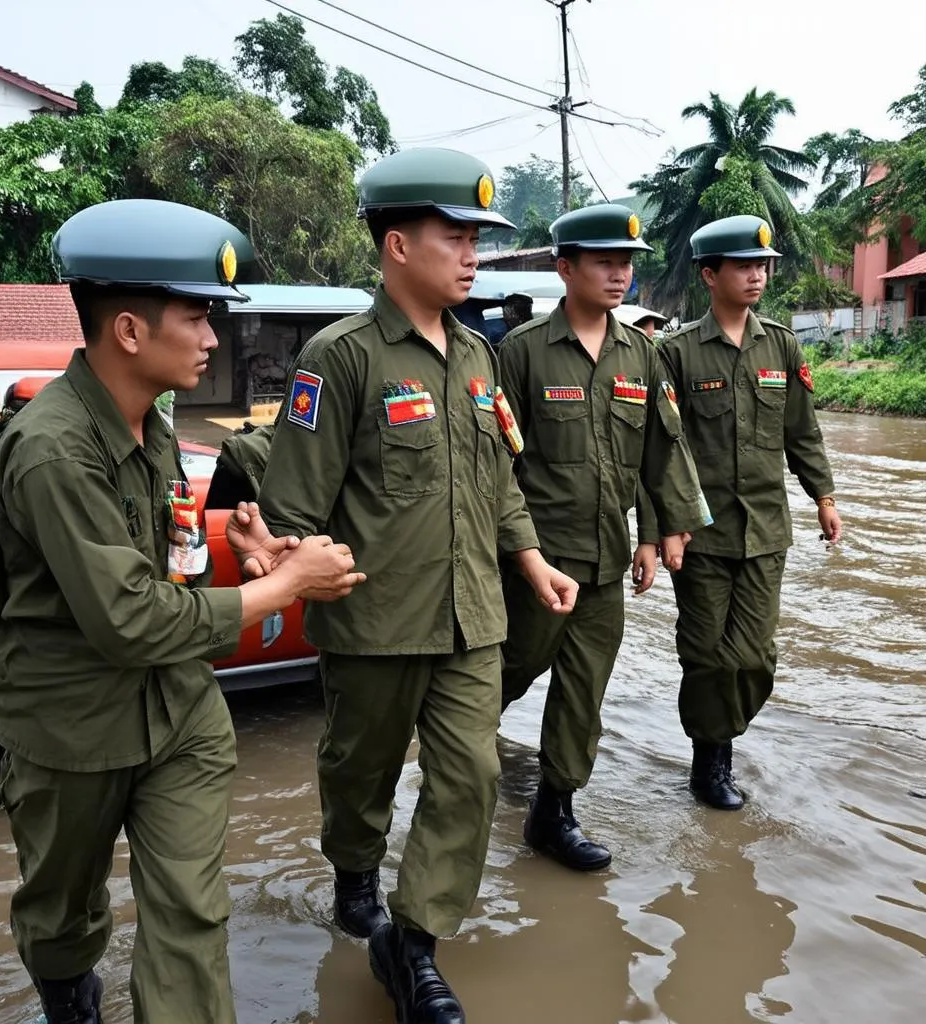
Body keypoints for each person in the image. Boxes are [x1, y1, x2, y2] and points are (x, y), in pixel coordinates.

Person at [0, 198, 364, 1024]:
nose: (213, 338)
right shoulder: (50, 451)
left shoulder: (159, 428)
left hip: (179, 715)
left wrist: (243, 551)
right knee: (61, 915)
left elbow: (162, 568)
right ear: (130, 331)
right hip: (70, 726)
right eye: (196, 316)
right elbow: (123, 618)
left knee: (188, 917)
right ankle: (71, 997)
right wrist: (283, 589)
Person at [245, 147, 578, 1024]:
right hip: (374, 623)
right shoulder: (340, 357)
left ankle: (414, 941)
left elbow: (499, 478)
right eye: (455, 235)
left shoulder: (477, 356)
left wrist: (532, 558)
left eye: (478, 237)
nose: (472, 253)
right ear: (397, 245)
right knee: (361, 772)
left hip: (472, 617)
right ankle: (354, 867)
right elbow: (293, 503)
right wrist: (280, 566)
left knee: (468, 775)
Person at [497, 204, 710, 871]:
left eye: (627, 263)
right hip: (536, 563)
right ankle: (459, 770)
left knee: (583, 692)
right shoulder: (523, 352)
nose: (620, 274)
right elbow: (496, 465)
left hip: (604, 567)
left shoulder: (641, 355)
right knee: (502, 675)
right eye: (604, 262)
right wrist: (519, 556)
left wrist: (658, 533)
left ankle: (554, 812)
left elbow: (660, 454)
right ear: (566, 268)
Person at [659, 214, 842, 810]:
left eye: (763, 265)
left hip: (765, 530)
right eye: (744, 265)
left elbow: (802, 432)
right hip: (702, 534)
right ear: (710, 275)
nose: (758, 274)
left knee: (755, 657)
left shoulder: (782, 344)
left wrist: (824, 497)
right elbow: (665, 446)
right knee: (707, 655)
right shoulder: (679, 352)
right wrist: (670, 525)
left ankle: (718, 741)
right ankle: (710, 764)